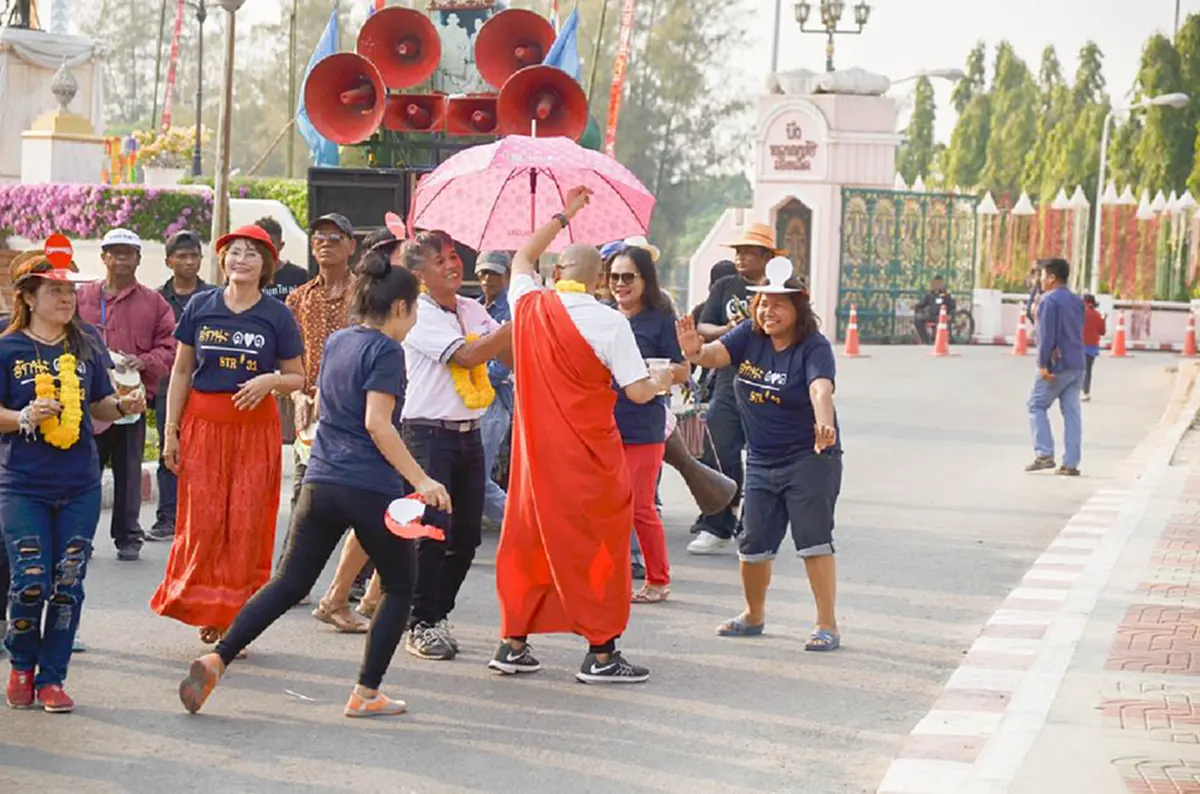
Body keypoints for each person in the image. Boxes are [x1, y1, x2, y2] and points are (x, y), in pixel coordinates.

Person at [176, 243, 451, 719]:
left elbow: (322, 404)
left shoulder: (341, 341)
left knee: (288, 582)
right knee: (402, 585)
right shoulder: (387, 351)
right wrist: (422, 479)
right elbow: (378, 423)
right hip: (370, 486)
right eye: (414, 312)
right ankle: (366, 694)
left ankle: (218, 657)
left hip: (320, 479)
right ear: (402, 307)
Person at [490, 186, 673, 683]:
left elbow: (522, 257)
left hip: (533, 457)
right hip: (590, 457)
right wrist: (667, 378)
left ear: (557, 273)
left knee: (529, 542)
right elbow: (637, 393)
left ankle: (513, 643)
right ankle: (601, 653)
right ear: (599, 282)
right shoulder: (609, 321)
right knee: (598, 548)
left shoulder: (527, 304)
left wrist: (563, 214)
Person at [2, 252, 146, 712]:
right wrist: (23, 415)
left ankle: (53, 678)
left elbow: (100, 405)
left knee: (67, 580)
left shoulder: (85, 344)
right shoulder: (6, 349)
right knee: (29, 580)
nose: (66, 298)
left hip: (80, 481)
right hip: (21, 484)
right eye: (54, 291)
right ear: (27, 297)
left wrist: (123, 406)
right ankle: (21, 665)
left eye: (69, 291)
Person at [676, 256, 843, 650]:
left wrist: (825, 424)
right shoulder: (749, 336)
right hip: (763, 460)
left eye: (778, 304)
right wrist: (694, 351)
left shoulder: (813, 347)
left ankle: (827, 624)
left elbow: (821, 388)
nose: (768, 311)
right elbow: (714, 356)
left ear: (798, 308)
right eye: (763, 303)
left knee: (813, 540)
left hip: (810, 457)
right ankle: (753, 615)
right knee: (752, 545)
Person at [150, 226, 306, 648]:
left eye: (252, 254)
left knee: (246, 521)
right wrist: (171, 432)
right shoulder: (201, 306)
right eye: (234, 252)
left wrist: (270, 380)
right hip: (203, 425)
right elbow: (181, 371)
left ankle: (235, 615)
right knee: (203, 521)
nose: (241, 260)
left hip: (255, 430)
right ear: (223, 260)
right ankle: (205, 606)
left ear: (266, 266)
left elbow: (298, 376)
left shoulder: (278, 315)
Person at [399, 230, 512, 661]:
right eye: (441, 259)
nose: (453, 264)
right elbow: (467, 357)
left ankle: (435, 614)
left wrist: (528, 312)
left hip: (469, 434)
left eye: (453, 256)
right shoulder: (417, 313)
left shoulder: (470, 307)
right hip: (427, 436)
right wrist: (513, 326)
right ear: (418, 272)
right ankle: (419, 621)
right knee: (431, 533)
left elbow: (507, 356)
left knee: (465, 537)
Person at [284, 212, 370, 630]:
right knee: (306, 495)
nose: (325, 244)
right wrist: (297, 392)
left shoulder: (365, 295)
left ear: (351, 246)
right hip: (309, 412)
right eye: (319, 237)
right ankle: (294, 578)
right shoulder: (298, 298)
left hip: (357, 411)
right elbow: (287, 358)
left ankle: (353, 583)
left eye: (335, 237)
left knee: (361, 496)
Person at [75, 228, 176, 561]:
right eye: (114, 253)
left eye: (128, 253)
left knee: (129, 471)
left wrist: (143, 360)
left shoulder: (154, 302)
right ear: (103, 257)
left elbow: (171, 347)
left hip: (131, 400)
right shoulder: (81, 297)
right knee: (86, 472)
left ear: (138, 259)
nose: (121, 259)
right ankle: (80, 536)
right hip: (88, 402)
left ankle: (128, 536)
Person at [688, 223, 780, 554]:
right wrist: (731, 329)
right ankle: (717, 522)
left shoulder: (783, 288)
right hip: (729, 379)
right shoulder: (726, 286)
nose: (740, 257)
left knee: (765, 456)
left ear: (767, 256)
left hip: (770, 382)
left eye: (747, 252)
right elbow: (703, 326)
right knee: (718, 447)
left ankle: (758, 524)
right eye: (737, 252)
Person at [607, 244, 689, 604]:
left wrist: (660, 375)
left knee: (640, 506)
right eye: (614, 277)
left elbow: (683, 370)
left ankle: (657, 579)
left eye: (628, 277)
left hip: (644, 426)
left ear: (645, 280)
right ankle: (608, 577)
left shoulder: (661, 320)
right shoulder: (604, 317)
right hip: (603, 424)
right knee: (606, 506)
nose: (620, 285)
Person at [148, 231, 217, 543]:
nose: (189, 262)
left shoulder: (217, 297)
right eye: (182, 256)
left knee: (207, 455)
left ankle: (203, 517)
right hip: (169, 385)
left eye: (194, 256)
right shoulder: (156, 299)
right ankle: (167, 517)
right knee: (170, 447)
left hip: (209, 387)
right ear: (169, 261)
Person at [1024, 258, 1086, 476]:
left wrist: (1043, 364)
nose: (1039, 280)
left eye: (1041, 276)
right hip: (1077, 362)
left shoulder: (1049, 301)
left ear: (1051, 278)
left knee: (1036, 405)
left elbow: (1046, 335)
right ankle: (1071, 463)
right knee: (1072, 412)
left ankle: (1044, 453)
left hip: (1057, 364)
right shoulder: (1077, 301)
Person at [476, 251, 513, 530]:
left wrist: (474, 375)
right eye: (484, 273)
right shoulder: (474, 308)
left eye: (495, 274)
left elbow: (503, 365)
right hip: (468, 401)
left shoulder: (511, 311)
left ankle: (526, 526)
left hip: (494, 401)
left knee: (476, 476)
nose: (488, 279)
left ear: (507, 276)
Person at [256, 216, 313, 302]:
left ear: (281, 245)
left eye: (271, 243)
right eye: (261, 243)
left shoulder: (300, 276)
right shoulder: (248, 276)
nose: (266, 248)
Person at [912, 275, 956, 345]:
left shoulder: (947, 296)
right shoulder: (929, 295)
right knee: (917, 320)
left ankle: (945, 340)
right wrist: (916, 306)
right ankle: (927, 341)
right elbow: (922, 304)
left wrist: (950, 315)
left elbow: (952, 308)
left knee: (944, 323)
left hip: (941, 317)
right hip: (930, 315)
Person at [1082, 294, 1105, 402]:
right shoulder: (1097, 315)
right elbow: (1102, 331)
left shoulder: (1080, 314)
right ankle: (1086, 392)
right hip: (1092, 348)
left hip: (1079, 347)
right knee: (1088, 370)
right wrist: (1103, 320)